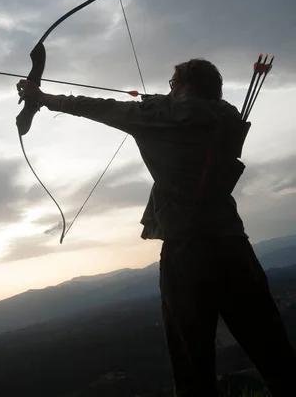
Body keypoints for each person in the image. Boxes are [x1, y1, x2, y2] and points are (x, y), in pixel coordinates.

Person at [17, 58, 296, 397]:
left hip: (187, 252)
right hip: (234, 247)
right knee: (274, 352)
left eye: (172, 83)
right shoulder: (227, 117)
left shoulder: (157, 115)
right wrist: (168, 102)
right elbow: (195, 111)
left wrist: (42, 97)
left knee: (192, 365)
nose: (168, 89)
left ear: (183, 85)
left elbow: (98, 107)